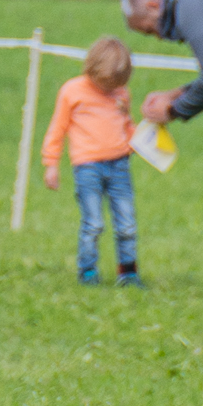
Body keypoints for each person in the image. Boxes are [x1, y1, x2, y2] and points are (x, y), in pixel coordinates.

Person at [41, 35, 141, 287]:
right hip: (88, 168)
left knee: (127, 224)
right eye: (105, 84)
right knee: (93, 223)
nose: (109, 89)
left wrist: (140, 141)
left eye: (115, 84)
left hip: (120, 166)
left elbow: (126, 124)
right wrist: (51, 164)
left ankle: (128, 272)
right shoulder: (72, 91)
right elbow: (57, 129)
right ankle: (87, 270)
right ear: (92, 70)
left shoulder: (121, 93)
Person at [121, 0, 203, 127]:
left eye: (150, 30)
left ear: (153, 5)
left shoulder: (187, 5)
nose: (159, 37)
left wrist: (172, 110)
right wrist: (174, 95)